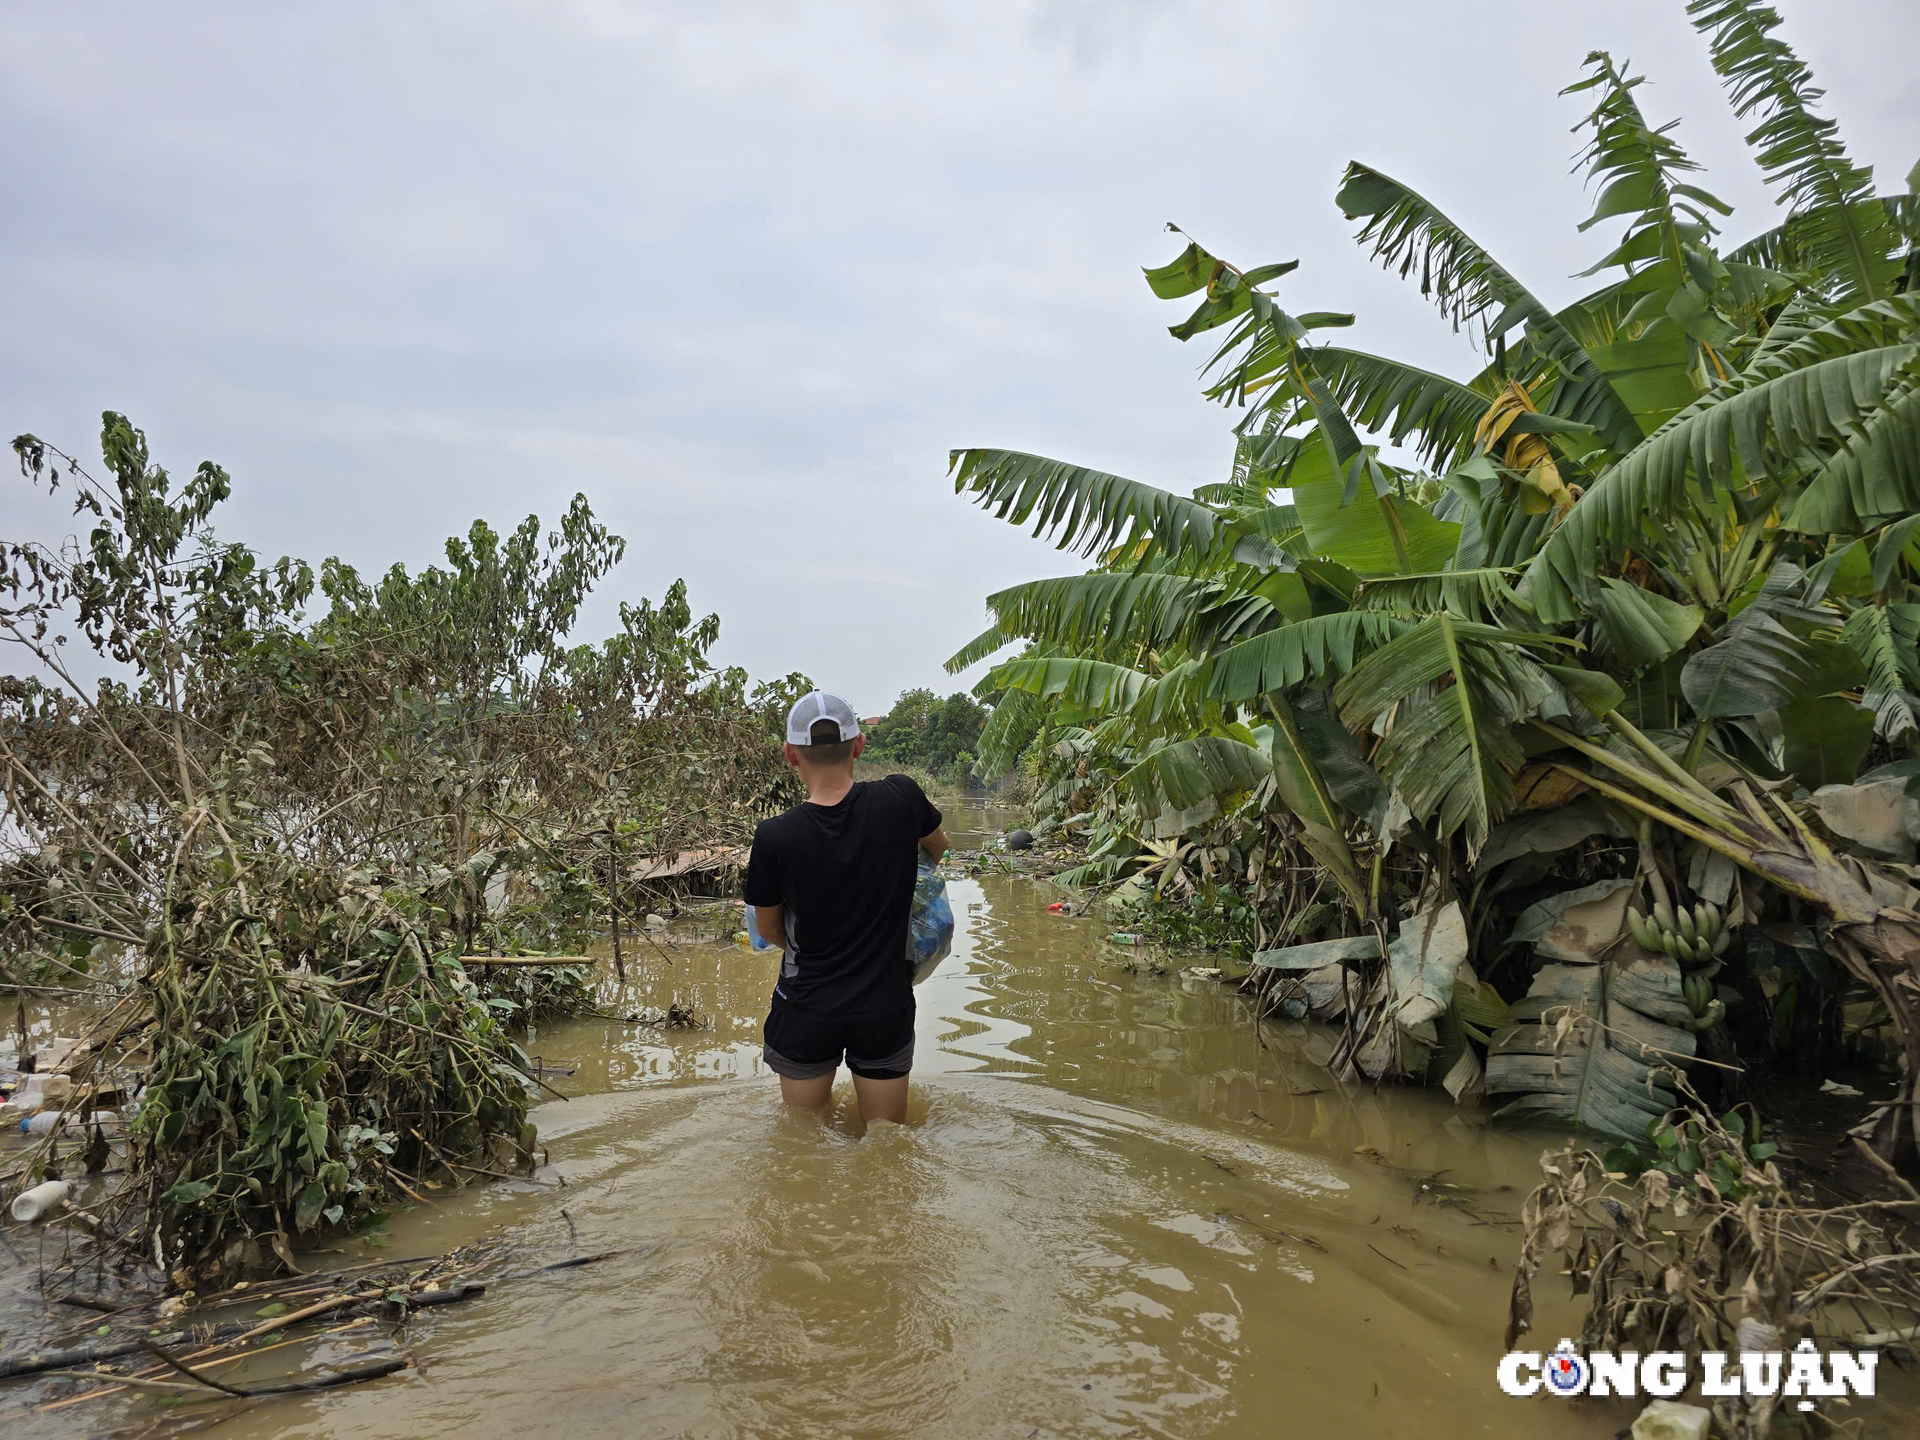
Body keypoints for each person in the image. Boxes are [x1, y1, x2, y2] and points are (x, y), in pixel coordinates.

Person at [743, 691, 947, 1125]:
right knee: (886, 1141)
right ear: (859, 744)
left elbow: (770, 930)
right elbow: (938, 849)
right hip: (884, 1005)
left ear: (789, 755)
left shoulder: (775, 836)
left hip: (806, 1006)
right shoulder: (902, 798)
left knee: (804, 1140)